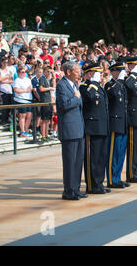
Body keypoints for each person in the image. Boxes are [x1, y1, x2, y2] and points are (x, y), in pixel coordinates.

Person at [56, 61, 87, 200]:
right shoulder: (61, 85)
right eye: (76, 71)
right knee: (70, 161)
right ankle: (68, 190)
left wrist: (76, 97)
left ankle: (76, 188)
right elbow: (63, 105)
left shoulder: (74, 85)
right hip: (69, 129)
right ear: (68, 72)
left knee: (78, 161)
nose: (79, 74)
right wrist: (75, 97)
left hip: (78, 127)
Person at [79, 61, 111, 194]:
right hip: (91, 127)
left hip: (102, 126)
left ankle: (99, 183)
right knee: (92, 158)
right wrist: (93, 83)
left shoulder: (98, 87)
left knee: (100, 157)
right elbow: (89, 97)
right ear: (90, 74)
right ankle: (92, 185)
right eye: (97, 73)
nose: (100, 75)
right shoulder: (84, 87)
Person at [104, 57, 130, 188]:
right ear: (113, 72)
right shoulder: (110, 85)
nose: (122, 73)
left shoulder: (122, 85)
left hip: (123, 122)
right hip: (114, 123)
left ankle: (118, 177)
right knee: (113, 154)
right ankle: (111, 179)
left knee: (120, 153)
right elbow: (112, 94)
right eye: (120, 71)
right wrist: (119, 80)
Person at [13, 66, 33, 137]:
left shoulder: (28, 79)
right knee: (22, 115)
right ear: (18, 73)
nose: (23, 73)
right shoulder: (17, 80)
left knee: (29, 115)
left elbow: (30, 87)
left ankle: (26, 129)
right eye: (22, 72)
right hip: (21, 100)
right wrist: (25, 90)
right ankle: (22, 131)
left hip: (29, 100)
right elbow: (16, 90)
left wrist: (29, 89)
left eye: (24, 72)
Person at [39, 67, 55, 142]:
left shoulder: (47, 79)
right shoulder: (42, 78)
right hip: (44, 101)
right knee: (44, 120)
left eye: (50, 72)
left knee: (48, 120)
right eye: (48, 71)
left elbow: (54, 83)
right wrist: (49, 88)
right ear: (44, 71)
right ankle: (43, 135)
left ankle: (46, 134)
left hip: (48, 101)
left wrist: (53, 75)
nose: (49, 73)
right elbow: (41, 89)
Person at [0, 57, 14, 125]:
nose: (5, 64)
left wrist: (4, 81)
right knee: (5, 105)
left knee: (9, 105)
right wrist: (6, 78)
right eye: (4, 62)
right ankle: (3, 120)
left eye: (6, 62)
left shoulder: (9, 71)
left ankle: (7, 119)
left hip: (9, 90)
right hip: (3, 90)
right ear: (1, 63)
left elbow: (11, 80)